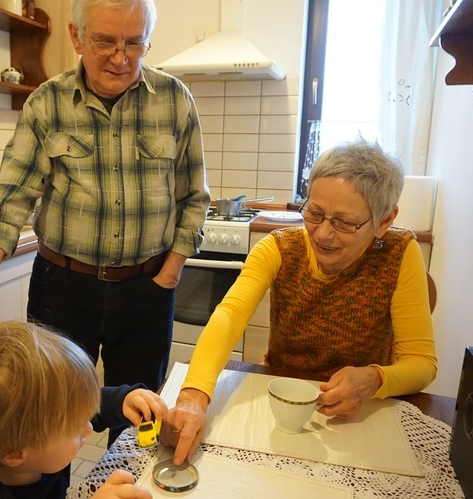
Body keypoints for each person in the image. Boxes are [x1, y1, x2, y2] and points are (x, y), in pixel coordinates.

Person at [0, 0, 209, 445]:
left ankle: (128, 489)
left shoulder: (176, 100)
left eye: (134, 42)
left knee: (140, 413)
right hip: (63, 287)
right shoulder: (47, 102)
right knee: (50, 411)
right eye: (104, 41)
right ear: (77, 36)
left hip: (147, 289)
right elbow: (10, 194)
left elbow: (194, 198)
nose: (120, 58)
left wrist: (171, 269)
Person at [162, 138, 437, 465]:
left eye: (345, 222)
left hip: (357, 413)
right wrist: (193, 396)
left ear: (383, 221)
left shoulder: (400, 253)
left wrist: (374, 378)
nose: (322, 234)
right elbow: (229, 316)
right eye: (315, 213)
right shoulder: (279, 247)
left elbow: (422, 362)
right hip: (282, 400)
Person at [0, 321, 166, 499]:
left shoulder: (29, 443)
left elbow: (75, 408)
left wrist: (121, 400)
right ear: (14, 453)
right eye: (73, 430)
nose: (88, 428)